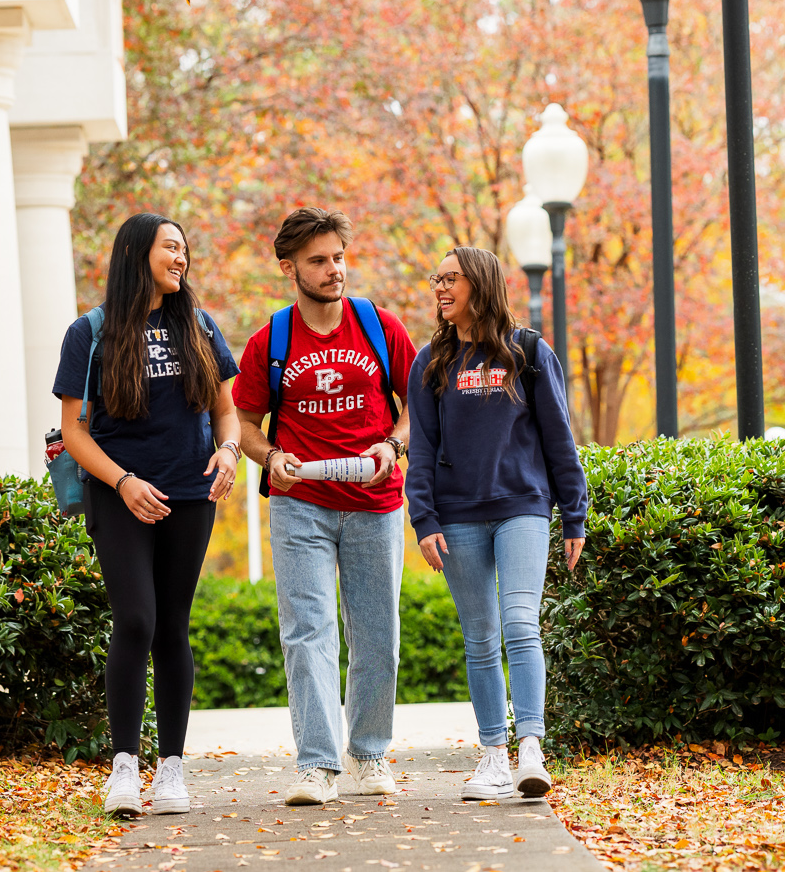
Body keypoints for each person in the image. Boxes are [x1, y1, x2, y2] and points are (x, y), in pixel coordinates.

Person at [53, 213, 241, 820]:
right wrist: (125, 482)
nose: (181, 258)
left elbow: (227, 414)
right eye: (170, 247)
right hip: (120, 493)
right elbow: (73, 434)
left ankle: (174, 769)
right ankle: (125, 768)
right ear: (137, 253)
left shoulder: (200, 325)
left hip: (191, 492)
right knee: (135, 618)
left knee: (172, 625)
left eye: (185, 249)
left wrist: (229, 451)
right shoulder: (91, 331)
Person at [231, 208, 418, 807]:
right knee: (308, 632)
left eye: (338, 257)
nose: (333, 269)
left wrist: (393, 444)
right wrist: (269, 457)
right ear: (290, 268)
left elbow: (419, 406)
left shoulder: (380, 326)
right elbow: (243, 421)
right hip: (299, 505)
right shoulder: (271, 342)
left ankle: (368, 755)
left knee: (377, 633)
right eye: (318, 260)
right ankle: (317, 764)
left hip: (375, 502)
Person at [406, 247, 588, 803]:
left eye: (451, 279)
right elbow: (422, 448)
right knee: (480, 638)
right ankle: (491, 755)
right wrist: (424, 518)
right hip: (458, 517)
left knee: (519, 624)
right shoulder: (429, 363)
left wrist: (574, 514)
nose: (440, 288)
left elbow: (559, 436)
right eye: (436, 279)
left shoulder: (528, 352)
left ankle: (530, 747)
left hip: (523, 508)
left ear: (479, 284)